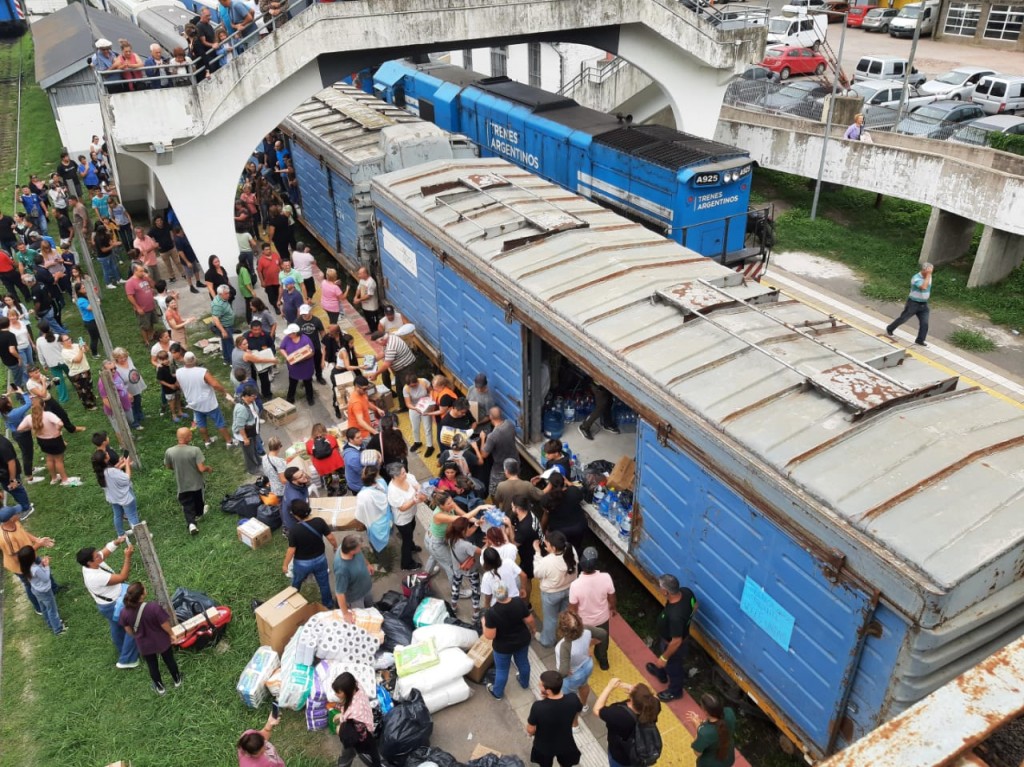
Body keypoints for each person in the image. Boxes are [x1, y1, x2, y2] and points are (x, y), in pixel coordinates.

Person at [78, 536, 140, 668]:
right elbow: (123, 577)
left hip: (107, 604)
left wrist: (116, 542)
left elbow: (105, 552)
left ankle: (121, 648)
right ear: (89, 562)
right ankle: (128, 660)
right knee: (133, 625)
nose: (100, 556)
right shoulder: (95, 577)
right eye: (96, 557)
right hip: (114, 605)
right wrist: (128, 557)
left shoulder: (89, 565)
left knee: (117, 626)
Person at [119, 582, 183, 695]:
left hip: (144, 644)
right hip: (161, 641)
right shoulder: (153, 607)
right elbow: (164, 624)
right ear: (142, 595)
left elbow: (128, 630)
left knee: (152, 665)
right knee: (169, 661)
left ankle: (160, 688)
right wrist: (172, 634)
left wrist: (137, 636)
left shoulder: (124, 612)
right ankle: (177, 680)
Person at [645, 574, 696, 702]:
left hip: (673, 646)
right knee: (666, 661)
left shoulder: (676, 616)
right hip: (666, 639)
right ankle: (661, 674)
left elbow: (676, 641)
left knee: (674, 668)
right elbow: (695, 605)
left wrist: (664, 658)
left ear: (666, 592)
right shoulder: (686, 592)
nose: (659, 589)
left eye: (660, 587)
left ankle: (675, 691)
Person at [482, 580, 535, 700]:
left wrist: (484, 623)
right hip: (522, 640)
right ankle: (524, 683)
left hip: (503, 647)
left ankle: (498, 693)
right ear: (507, 591)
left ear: (495, 595)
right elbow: (530, 620)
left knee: (502, 670)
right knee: (523, 662)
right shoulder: (518, 602)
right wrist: (533, 630)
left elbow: (490, 636)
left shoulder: (492, 612)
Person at [1, 505, 55, 616]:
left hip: (31, 556)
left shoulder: (14, 523)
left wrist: (37, 540)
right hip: (21, 566)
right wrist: (38, 545)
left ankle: (54, 589)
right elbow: (18, 558)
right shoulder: (6, 539)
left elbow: (23, 533)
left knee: (43, 568)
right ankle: (38, 607)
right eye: (15, 513)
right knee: (30, 585)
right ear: (10, 519)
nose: (18, 513)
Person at [595, 679, 662, 767]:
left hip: (621, 758)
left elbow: (597, 709)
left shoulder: (620, 715)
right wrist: (634, 691)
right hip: (639, 752)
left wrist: (609, 687)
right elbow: (649, 698)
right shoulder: (653, 705)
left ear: (631, 699)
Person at [283, 500, 337, 607]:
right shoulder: (319, 521)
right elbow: (330, 537)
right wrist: (335, 547)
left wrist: (285, 564)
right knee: (324, 584)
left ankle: (292, 603)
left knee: (296, 582)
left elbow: (291, 550)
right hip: (320, 559)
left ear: (296, 515)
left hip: (302, 563)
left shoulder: (294, 530)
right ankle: (328, 604)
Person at [569, 548, 616, 672]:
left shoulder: (575, 585)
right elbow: (612, 597)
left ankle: (582, 662)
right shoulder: (606, 577)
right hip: (602, 619)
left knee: (583, 642)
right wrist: (613, 608)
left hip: (584, 622)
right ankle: (603, 661)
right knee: (603, 640)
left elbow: (573, 609)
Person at [176, 351, 234, 447]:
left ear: (184, 361)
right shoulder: (202, 372)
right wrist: (224, 392)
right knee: (219, 422)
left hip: (193, 402)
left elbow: (179, 385)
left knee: (201, 423)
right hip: (208, 402)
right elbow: (215, 384)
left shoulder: (179, 372)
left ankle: (207, 441)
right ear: (194, 359)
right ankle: (229, 442)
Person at [163, 426, 214, 535]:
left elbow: (168, 466)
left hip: (182, 486)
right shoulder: (195, 450)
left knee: (187, 504)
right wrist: (208, 468)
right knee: (198, 501)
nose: (191, 436)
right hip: (196, 484)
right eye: (190, 435)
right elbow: (201, 468)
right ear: (187, 438)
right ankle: (199, 514)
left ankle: (191, 524)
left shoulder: (170, 451)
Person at [527, 670, 583, 767]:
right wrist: (573, 722)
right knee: (566, 764)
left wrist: (532, 733)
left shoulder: (538, 707)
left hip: (544, 746)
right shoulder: (573, 698)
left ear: (548, 691)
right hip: (565, 743)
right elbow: (578, 710)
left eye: (540, 684)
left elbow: (530, 729)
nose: (538, 685)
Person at [555, 610, 606, 713]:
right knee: (584, 685)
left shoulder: (563, 646)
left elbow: (564, 672)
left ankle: (574, 718)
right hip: (587, 665)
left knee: (570, 697)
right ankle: (583, 705)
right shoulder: (587, 630)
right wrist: (590, 644)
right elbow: (603, 634)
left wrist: (560, 675)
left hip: (573, 674)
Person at [533, 530, 577, 647]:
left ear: (553, 547)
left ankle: (547, 640)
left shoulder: (547, 561)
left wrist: (537, 553)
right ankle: (565, 636)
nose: (545, 546)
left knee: (550, 619)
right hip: (569, 590)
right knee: (565, 615)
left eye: (547, 544)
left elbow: (537, 573)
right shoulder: (572, 551)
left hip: (551, 594)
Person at [18, 399, 76, 486]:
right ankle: (65, 480)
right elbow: (60, 424)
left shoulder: (29, 418)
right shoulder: (48, 415)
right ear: (44, 405)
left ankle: (54, 478)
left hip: (42, 441)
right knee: (58, 460)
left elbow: (20, 428)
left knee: (49, 458)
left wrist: (32, 427)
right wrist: (58, 430)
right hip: (54, 440)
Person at [332, 671, 381, 767]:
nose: (335, 694)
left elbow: (358, 737)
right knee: (374, 754)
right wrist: (342, 715)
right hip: (366, 726)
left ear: (347, 691)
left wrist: (340, 730)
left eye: (338, 692)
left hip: (361, 738)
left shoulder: (355, 715)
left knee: (348, 753)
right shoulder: (356, 688)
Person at [17, 545, 64, 635]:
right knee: (52, 610)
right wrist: (46, 566)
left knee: (44, 608)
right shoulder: (36, 569)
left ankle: (50, 623)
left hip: (36, 590)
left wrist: (41, 564)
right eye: (34, 552)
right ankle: (58, 629)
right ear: (32, 557)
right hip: (45, 591)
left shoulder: (25, 567)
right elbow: (46, 578)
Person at [885, 262, 933, 347]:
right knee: (903, 318)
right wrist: (928, 275)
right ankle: (890, 328)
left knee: (924, 323)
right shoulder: (916, 278)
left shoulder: (928, 276)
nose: (930, 273)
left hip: (924, 304)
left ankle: (920, 340)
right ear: (923, 270)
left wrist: (928, 275)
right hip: (913, 303)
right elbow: (924, 287)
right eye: (929, 271)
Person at [93, 448, 139, 536]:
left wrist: (119, 463)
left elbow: (112, 471)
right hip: (124, 497)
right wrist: (126, 464)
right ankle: (140, 537)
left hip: (113, 498)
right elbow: (127, 478)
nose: (107, 452)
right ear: (105, 459)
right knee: (132, 516)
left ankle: (121, 534)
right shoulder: (111, 471)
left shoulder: (100, 470)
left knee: (118, 515)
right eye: (105, 453)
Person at [386, 463, 425, 570]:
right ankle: (407, 563)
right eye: (403, 473)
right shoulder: (393, 491)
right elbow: (402, 508)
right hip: (402, 520)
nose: (405, 474)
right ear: (395, 476)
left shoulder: (408, 478)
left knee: (411, 530)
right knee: (406, 540)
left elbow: (417, 486)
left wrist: (420, 491)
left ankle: (412, 546)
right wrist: (415, 500)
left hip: (411, 514)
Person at [446, 516, 483, 619]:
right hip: (471, 570)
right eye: (467, 527)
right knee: (476, 590)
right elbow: (482, 551)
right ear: (463, 530)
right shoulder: (466, 545)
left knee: (456, 586)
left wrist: (476, 524)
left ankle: (453, 606)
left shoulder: (450, 537)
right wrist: (488, 542)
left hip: (457, 568)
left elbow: (467, 534)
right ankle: (475, 613)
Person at [541, 472, 587, 554]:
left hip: (561, 531)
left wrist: (543, 531)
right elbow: (578, 492)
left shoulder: (547, 500)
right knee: (576, 549)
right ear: (564, 483)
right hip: (579, 527)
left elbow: (545, 517)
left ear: (550, 485)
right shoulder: (573, 491)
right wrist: (569, 482)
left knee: (562, 552)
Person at [688, 693, 736, 767]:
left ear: (706, 712)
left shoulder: (704, 733)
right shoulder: (729, 712)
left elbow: (697, 753)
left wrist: (699, 727)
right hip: (729, 759)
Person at [333, 534, 374, 619]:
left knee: (371, 609)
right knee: (362, 618)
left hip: (366, 590)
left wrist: (367, 564)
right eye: (359, 548)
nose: (361, 549)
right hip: (356, 598)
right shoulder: (342, 570)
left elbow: (361, 556)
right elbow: (339, 593)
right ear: (352, 551)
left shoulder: (346, 547)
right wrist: (345, 613)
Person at [355, 464, 392, 555]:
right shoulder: (382, 483)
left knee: (376, 544)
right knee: (387, 536)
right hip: (387, 518)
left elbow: (359, 514)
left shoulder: (362, 495)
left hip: (374, 524)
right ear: (375, 476)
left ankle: (380, 556)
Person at [481, 406, 516, 496]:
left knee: (494, 492)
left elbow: (484, 455)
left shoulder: (492, 436)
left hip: (500, 468)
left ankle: (497, 508)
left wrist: (482, 439)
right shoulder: (510, 424)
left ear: (490, 417)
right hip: (515, 462)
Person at [278, 323, 315, 406]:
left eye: (290, 333)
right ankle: (290, 398)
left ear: (295, 333)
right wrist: (287, 357)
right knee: (292, 383)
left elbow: (312, 353)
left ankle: (310, 398)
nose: (288, 335)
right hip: (293, 367)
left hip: (306, 366)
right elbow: (282, 348)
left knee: (308, 383)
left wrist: (300, 359)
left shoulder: (305, 340)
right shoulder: (287, 338)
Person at [480, 545, 525, 611]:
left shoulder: (487, 576)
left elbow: (488, 595)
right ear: (498, 556)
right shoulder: (509, 562)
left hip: (498, 606)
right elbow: (523, 575)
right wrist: (523, 589)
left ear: (486, 562)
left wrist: (487, 606)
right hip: (515, 601)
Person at [111, 347, 147, 428]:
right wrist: (127, 393)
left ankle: (140, 416)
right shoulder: (115, 368)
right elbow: (118, 382)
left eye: (125, 357)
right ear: (116, 358)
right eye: (121, 358)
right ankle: (134, 423)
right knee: (130, 407)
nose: (124, 359)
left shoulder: (129, 359)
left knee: (138, 401)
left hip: (135, 385)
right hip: (127, 390)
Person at [125, 264, 160, 344]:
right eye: (141, 271)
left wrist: (148, 278)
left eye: (143, 271)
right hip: (142, 308)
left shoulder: (144, 278)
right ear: (135, 271)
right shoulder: (130, 282)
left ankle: (151, 336)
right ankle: (146, 341)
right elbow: (130, 296)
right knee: (144, 326)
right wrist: (138, 307)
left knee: (151, 322)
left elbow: (153, 286)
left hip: (151, 305)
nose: (143, 273)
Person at [233, 386, 262, 475]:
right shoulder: (242, 409)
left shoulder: (250, 401)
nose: (255, 397)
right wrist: (245, 438)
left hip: (252, 430)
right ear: (246, 396)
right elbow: (240, 426)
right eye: (253, 396)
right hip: (245, 433)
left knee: (253, 447)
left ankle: (258, 461)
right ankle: (252, 469)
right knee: (248, 452)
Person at [296, 303, 326, 385]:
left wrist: (325, 343)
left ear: (310, 311)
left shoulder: (317, 320)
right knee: (305, 364)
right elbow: (295, 335)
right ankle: (307, 378)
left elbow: (322, 332)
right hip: (303, 348)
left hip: (315, 346)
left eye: (306, 313)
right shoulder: (298, 322)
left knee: (317, 363)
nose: (305, 315)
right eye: (303, 314)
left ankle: (319, 377)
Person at [211, 284, 237, 367]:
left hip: (227, 326)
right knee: (230, 344)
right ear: (220, 294)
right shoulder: (218, 305)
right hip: (225, 327)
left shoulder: (222, 299)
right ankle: (233, 362)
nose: (228, 295)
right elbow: (215, 319)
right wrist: (223, 331)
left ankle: (226, 360)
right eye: (226, 293)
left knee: (225, 343)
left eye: (228, 293)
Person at [352, 266, 380, 330]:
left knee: (374, 321)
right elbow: (359, 288)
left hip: (372, 307)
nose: (358, 275)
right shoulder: (362, 280)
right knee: (368, 319)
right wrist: (356, 296)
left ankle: (376, 331)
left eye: (360, 274)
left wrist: (359, 300)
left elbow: (369, 295)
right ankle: (371, 330)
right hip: (364, 305)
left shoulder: (371, 282)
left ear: (365, 274)